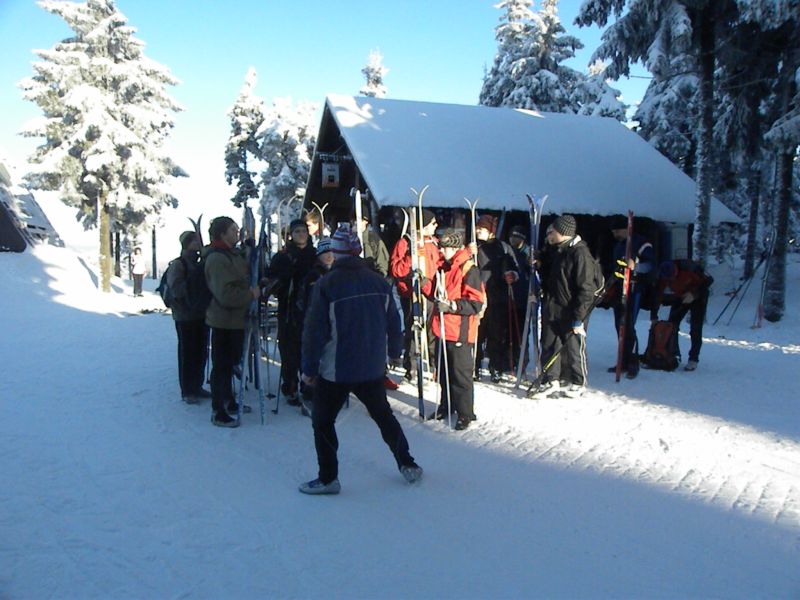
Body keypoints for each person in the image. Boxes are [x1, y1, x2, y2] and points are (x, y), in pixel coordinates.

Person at [299, 224, 422, 495]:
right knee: (383, 416)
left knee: (323, 421)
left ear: (337, 253)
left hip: (337, 368)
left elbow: (314, 330)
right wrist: (394, 351)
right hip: (371, 365)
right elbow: (395, 322)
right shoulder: (378, 282)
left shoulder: (327, 284)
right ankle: (407, 462)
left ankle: (328, 477)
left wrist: (309, 368)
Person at [423, 229, 485, 430]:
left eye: (445, 248)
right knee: (443, 372)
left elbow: (476, 303)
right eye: (440, 247)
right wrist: (424, 284)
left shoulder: (469, 269)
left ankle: (466, 413)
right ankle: (446, 405)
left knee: (461, 374)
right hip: (442, 328)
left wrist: (452, 306)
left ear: (455, 247)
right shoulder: (443, 267)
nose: (441, 251)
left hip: (460, 331)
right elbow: (436, 293)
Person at [531, 215, 597, 399]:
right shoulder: (557, 250)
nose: (549, 236)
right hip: (552, 305)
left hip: (571, 309)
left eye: (552, 232)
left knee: (573, 348)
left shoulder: (580, 253)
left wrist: (579, 316)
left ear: (562, 232)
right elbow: (551, 276)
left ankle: (578, 382)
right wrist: (539, 264)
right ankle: (551, 380)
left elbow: (586, 288)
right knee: (549, 344)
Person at [204, 216, 260, 428]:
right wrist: (250, 294)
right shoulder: (217, 259)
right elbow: (225, 294)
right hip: (224, 320)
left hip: (236, 319)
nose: (238, 233)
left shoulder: (231, 254)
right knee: (222, 366)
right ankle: (218, 410)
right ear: (222, 234)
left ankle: (228, 400)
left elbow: (242, 273)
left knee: (230, 364)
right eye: (233, 230)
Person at [265, 219, 317, 405]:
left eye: (303, 231)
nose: (301, 234)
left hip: (312, 310)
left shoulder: (315, 255)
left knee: (309, 349)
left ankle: (309, 386)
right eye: (297, 232)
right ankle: (290, 386)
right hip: (289, 310)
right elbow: (271, 282)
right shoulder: (283, 256)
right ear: (291, 235)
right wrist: (283, 279)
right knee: (290, 352)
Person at [389, 208, 441, 381]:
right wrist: (412, 258)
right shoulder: (405, 242)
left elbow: (439, 264)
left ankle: (434, 366)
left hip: (430, 292)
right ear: (423, 225)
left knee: (433, 330)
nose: (436, 226)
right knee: (413, 330)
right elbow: (396, 269)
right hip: (412, 293)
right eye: (433, 223)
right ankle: (411, 368)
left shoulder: (433, 242)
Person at [608, 215, 655, 379]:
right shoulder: (619, 245)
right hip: (619, 289)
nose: (615, 235)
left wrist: (636, 267)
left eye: (617, 231)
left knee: (628, 326)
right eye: (613, 232)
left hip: (634, 289)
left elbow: (650, 265)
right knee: (619, 325)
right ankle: (623, 360)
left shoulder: (641, 243)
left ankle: (633, 362)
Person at [474, 214, 519, 382]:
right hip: (478, 296)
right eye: (477, 227)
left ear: (491, 230)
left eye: (481, 228)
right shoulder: (474, 247)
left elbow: (515, 268)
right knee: (477, 335)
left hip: (498, 298)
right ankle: (474, 367)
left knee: (496, 335)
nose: (478, 230)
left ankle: (496, 368)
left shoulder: (503, 248)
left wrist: (512, 275)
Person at [167, 231, 211, 403]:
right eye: (194, 241)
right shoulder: (179, 265)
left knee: (201, 352)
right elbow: (176, 289)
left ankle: (197, 386)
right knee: (188, 352)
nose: (198, 244)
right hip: (184, 315)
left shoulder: (199, 263)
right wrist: (194, 280)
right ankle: (187, 390)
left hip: (200, 314)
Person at [650, 259, 714, 371]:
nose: (671, 279)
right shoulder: (662, 277)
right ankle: (672, 353)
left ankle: (693, 359)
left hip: (699, 296)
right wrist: (654, 316)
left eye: (672, 276)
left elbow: (709, 280)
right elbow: (657, 295)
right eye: (669, 279)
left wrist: (693, 294)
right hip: (680, 295)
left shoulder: (688, 266)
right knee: (672, 325)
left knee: (695, 328)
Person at [295, 237, 334, 416]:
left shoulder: (334, 272)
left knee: (327, 360)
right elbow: (311, 301)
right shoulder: (314, 274)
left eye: (331, 252)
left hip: (331, 322)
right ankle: (308, 395)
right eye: (325, 253)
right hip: (315, 321)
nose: (329, 256)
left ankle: (323, 394)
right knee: (314, 358)